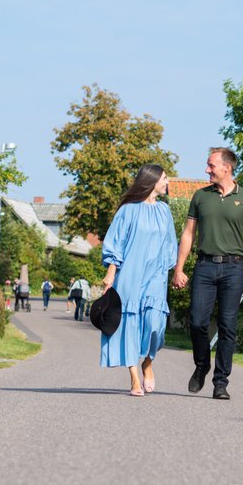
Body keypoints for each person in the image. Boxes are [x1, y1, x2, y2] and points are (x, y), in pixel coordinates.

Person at [173, 147, 243, 400]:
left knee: (228, 327)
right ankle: (202, 364)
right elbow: (189, 234)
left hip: (234, 269)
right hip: (204, 266)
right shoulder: (201, 196)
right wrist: (179, 268)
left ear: (227, 167)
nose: (207, 170)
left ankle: (220, 382)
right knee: (197, 322)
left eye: (211, 165)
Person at [100, 164, 178, 396]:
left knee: (155, 324)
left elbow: (169, 244)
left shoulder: (164, 211)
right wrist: (111, 273)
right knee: (130, 325)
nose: (167, 182)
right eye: (164, 178)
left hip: (156, 276)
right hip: (130, 276)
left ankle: (148, 362)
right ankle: (134, 377)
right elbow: (116, 241)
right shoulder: (127, 210)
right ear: (152, 180)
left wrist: (171, 271)